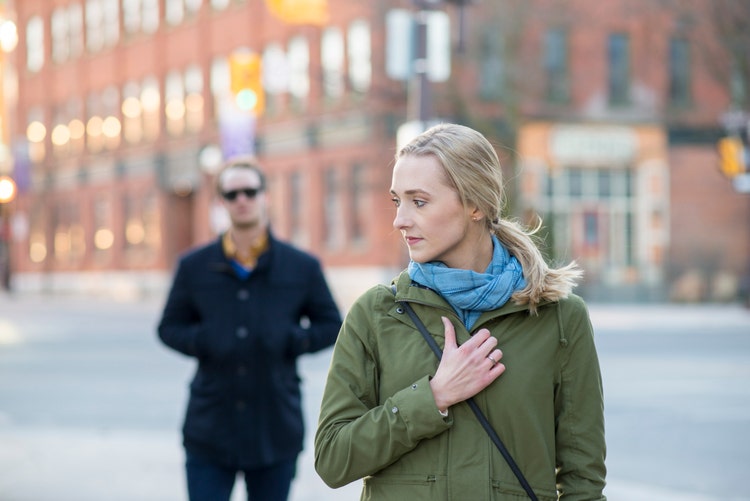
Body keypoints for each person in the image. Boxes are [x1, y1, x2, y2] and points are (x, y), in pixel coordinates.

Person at [314, 123, 606, 500]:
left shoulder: (560, 317)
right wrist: (432, 397)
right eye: (396, 201)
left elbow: (583, 479)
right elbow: (333, 459)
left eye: (418, 201)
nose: (400, 220)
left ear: (476, 205)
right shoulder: (376, 313)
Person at [158, 157, 342, 501]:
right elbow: (169, 327)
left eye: (249, 191)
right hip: (209, 427)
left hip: (275, 427)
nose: (241, 199)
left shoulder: (301, 266)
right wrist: (205, 341)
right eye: (231, 194)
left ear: (265, 197)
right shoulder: (193, 266)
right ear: (221, 203)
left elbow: (331, 324)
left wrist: (291, 340)